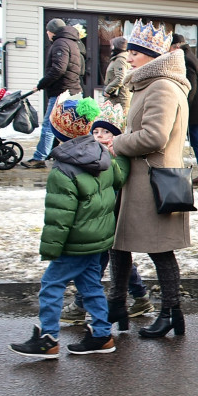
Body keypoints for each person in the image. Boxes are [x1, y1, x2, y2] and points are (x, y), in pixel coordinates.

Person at [9, 96, 128, 358]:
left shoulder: (63, 169)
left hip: (74, 242)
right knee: (91, 286)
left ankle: (48, 338)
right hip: (98, 238)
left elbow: (59, 216)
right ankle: (101, 335)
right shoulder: (102, 155)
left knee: (52, 284)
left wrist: (52, 248)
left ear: (59, 131)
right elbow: (118, 180)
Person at [104, 20, 193, 339]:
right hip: (141, 178)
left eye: (135, 52)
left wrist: (117, 143)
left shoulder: (163, 86)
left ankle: (171, 312)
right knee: (118, 243)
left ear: (149, 55)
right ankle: (117, 304)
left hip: (155, 180)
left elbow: (154, 137)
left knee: (159, 250)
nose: (128, 56)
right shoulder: (150, 83)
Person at [61, 102, 153, 326]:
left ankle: (80, 305)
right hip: (98, 217)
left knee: (95, 262)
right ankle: (141, 297)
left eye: (107, 132)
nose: (100, 136)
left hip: (111, 217)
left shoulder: (117, 155)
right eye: (96, 131)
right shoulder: (92, 154)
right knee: (116, 261)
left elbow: (119, 179)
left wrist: (109, 158)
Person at [21, 19, 84, 169]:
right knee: (70, 126)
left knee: (50, 126)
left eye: (48, 31)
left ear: (52, 31)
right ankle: (72, 155)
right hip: (73, 90)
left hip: (62, 92)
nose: (47, 34)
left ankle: (39, 158)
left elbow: (58, 69)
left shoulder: (60, 43)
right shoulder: (73, 42)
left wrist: (42, 84)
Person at [170, 34, 198, 186]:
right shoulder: (189, 56)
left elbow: (190, 87)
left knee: (195, 141)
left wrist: (183, 108)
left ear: (175, 46)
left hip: (191, 109)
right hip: (195, 108)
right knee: (196, 141)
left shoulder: (185, 59)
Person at [102, 36, 132, 113]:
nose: (111, 47)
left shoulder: (120, 59)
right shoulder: (121, 58)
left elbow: (121, 78)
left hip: (117, 98)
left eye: (112, 45)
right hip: (117, 97)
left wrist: (107, 90)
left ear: (116, 46)